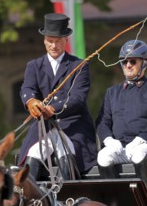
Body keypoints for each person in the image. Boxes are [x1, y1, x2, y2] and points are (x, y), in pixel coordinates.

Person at [17, 13, 97, 181]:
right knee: (33, 152)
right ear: (44, 40)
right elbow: (28, 88)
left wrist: (53, 109)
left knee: (64, 149)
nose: (54, 46)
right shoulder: (34, 66)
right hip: (43, 126)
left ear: (65, 40)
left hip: (73, 125)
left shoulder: (79, 66)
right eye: (50, 41)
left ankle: (67, 194)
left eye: (58, 41)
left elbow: (77, 98)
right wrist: (31, 101)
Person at [96, 40, 147, 191]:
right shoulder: (112, 92)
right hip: (121, 147)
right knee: (103, 156)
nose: (128, 65)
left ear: (144, 63)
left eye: (132, 61)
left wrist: (141, 139)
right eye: (124, 61)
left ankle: (145, 199)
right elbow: (102, 121)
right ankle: (117, 200)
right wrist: (109, 140)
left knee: (138, 152)